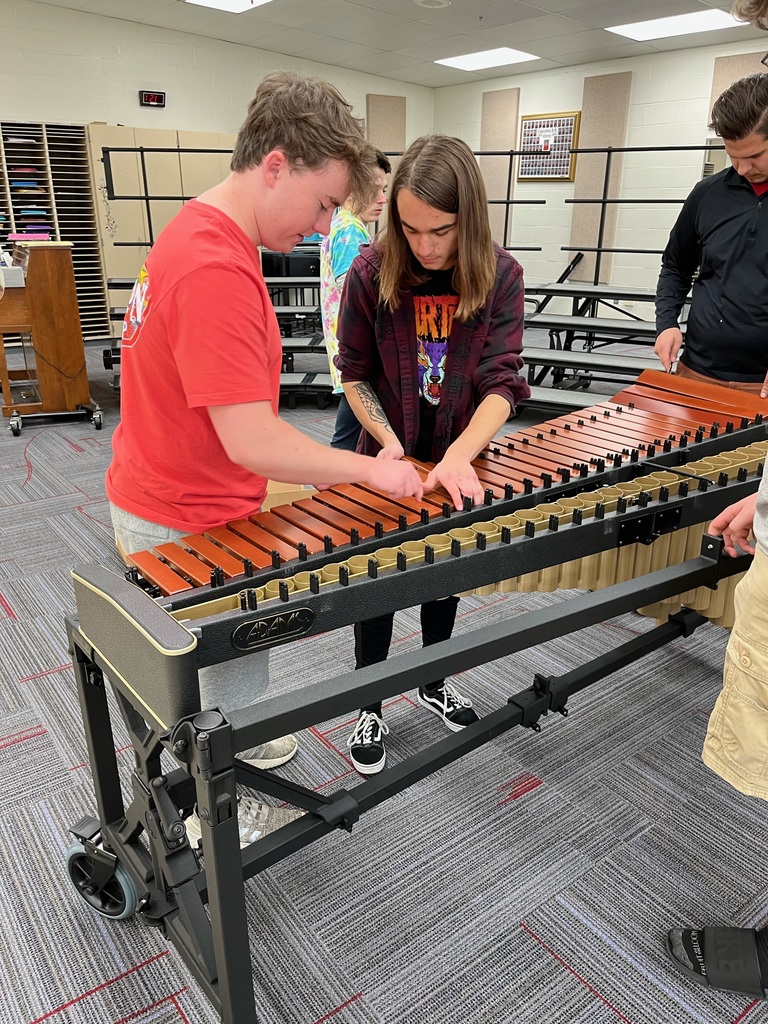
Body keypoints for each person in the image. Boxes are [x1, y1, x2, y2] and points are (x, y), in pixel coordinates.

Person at [105, 71, 424, 843]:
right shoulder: (215, 266)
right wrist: (369, 467)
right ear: (275, 165)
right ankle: (223, 811)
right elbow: (249, 439)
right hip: (186, 518)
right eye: (322, 204)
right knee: (226, 682)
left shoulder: (199, 228)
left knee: (224, 680)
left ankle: (231, 751)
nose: (322, 228)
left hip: (166, 488)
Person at [335, 134, 529, 775]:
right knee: (378, 585)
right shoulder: (370, 272)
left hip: (458, 454)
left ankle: (433, 678)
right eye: (410, 229)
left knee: (444, 572)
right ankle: (368, 702)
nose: (424, 246)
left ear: (468, 218)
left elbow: (502, 381)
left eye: (440, 231)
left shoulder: (500, 275)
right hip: (388, 456)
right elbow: (354, 373)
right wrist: (387, 442)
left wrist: (462, 455)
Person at [654, 71, 768, 397]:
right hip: (697, 371)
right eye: (733, 157)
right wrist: (667, 324)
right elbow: (675, 267)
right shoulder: (706, 194)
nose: (742, 169)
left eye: (754, 156)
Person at [320, 149, 391, 451]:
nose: (382, 199)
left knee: (354, 432)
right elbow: (360, 293)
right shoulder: (350, 231)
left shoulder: (342, 223)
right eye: (374, 188)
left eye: (385, 189)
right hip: (357, 350)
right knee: (348, 436)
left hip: (348, 347)